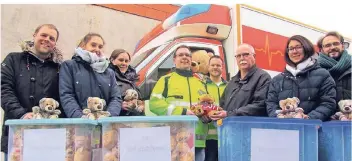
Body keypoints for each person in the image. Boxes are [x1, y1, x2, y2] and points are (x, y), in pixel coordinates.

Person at [1, 24, 65, 157]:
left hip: (49, 135)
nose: (47, 39)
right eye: (43, 35)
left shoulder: (59, 68)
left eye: (52, 38)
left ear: (55, 44)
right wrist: (22, 115)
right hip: (17, 131)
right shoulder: (13, 59)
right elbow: (4, 90)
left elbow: (64, 97)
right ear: (34, 35)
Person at [149, 45, 209, 161]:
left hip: (197, 142)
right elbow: (154, 104)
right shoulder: (165, 80)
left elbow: (206, 106)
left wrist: (208, 114)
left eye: (187, 55)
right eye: (181, 55)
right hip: (173, 141)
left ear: (191, 60)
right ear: (174, 60)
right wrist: (183, 111)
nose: (184, 57)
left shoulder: (201, 82)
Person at [266, 35, 337, 121]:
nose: (294, 51)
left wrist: (308, 119)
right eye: (291, 49)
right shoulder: (277, 79)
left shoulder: (323, 75)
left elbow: (328, 103)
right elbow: (271, 104)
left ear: (307, 48)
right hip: (285, 129)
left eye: (298, 47)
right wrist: (279, 117)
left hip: (313, 130)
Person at [59, 33, 122, 118]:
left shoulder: (109, 72)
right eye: (93, 45)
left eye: (100, 47)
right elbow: (67, 95)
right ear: (83, 46)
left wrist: (108, 117)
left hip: (104, 125)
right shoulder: (69, 66)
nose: (97, 49)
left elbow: (116, 98)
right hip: (78, 124)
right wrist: (80, 118)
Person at [210, 43, 271, 120]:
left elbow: (260, 105)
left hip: (249, 128)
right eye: (238, 56)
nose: (242, 58)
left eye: (245, 55)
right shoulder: (233, 81)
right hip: (230, 128)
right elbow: (222, 104)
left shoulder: (262, 77)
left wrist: (229, 114)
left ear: (254, 56)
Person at [204, 55, 227, 161]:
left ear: (222, 67)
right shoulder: (202, 85)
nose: (215, 67)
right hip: (208, 138)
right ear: (208, 67)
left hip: (226, 136)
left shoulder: (230, 86)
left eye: (218, 65)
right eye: (212, 65)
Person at [109, 49, 144, 116]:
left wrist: (140, 105)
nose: (124, 63)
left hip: (132, 119)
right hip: (116, 118)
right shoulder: (107, 77)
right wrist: (119, 106)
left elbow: (139, 98)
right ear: (112, 60)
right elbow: (103, 99)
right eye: (121, 60)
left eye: (126, 61)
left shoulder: (131, 77)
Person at [318, 31, 351, 103]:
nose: (332, 47)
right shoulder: (315, 70)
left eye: (336, 44)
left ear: (342, 46)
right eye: (327, 45)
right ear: (322, 49)